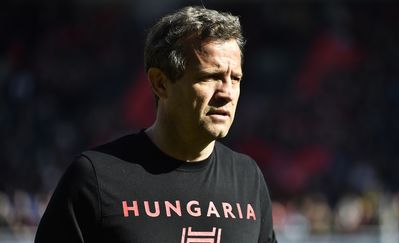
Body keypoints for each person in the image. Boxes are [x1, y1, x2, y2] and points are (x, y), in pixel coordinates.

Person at [35, 6, 277, 243]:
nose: (227, 93)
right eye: (210, 77)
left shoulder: (248, 178)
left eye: (235, 79)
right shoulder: (95, 179)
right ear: (160, 83)